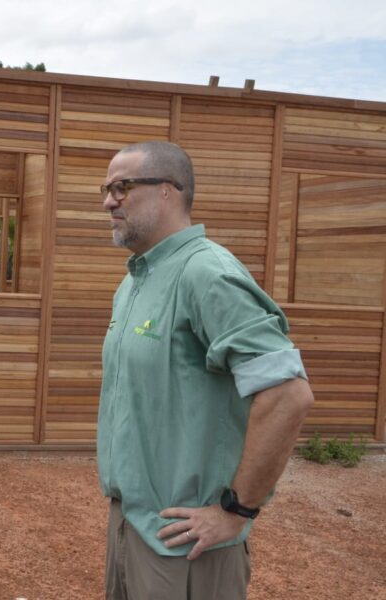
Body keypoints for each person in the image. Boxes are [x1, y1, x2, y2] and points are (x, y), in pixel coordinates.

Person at [97, 141, 314, 600]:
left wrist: (236, 510)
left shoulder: (206, 273)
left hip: (186, 546)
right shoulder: (137, 279)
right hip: (133, 524)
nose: (108, 201)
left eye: (122, 186)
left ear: (168, 192)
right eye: (106, 189)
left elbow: (287, 394)